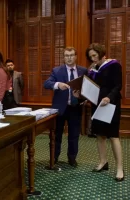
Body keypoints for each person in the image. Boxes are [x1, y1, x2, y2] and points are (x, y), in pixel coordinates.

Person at [86, 43, 124, 181]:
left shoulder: (114, 65)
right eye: (91, 57)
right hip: (97, 104)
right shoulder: (93, 68)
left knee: (113, 136)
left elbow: (118, 85)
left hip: (111, 104)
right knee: (100, 134)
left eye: (95, 55)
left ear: (101, 53)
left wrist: (109, 97)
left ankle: (119, 168)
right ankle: (103, 162)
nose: (93, 59)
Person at [44, 47, 88, 167]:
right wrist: (58, 85)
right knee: (56, 135)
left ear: (76, 56)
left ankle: (72, 158)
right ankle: (54, 157)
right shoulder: (57, 71)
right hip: (60, 109)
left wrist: (83, 99)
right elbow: (46, 84)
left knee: (74, 135)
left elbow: (88, 89)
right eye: (66, 55)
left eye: (71, 55)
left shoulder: (83, 71)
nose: (69, 58)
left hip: (75, 108)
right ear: (63, 57)